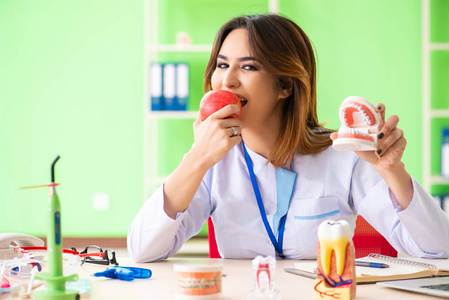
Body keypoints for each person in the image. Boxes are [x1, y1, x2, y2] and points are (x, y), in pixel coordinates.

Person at [128, 14, 449, 262]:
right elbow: (142, 250)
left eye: (248, 67)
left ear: (285, 85)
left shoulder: (344, 156)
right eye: (222, 65)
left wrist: (392, 170)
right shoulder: (212, 161)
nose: (227, 80)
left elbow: (438, 249)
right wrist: (197, 158)